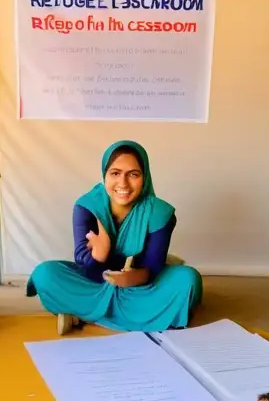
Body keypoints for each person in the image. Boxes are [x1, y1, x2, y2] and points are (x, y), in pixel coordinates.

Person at [27, 141, 202, 335]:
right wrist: (100, 254)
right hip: (96, 281)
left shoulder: (159, 212)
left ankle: (82, 314)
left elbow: (153, 267)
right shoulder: (86, 206)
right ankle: (137, 319)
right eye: (115, 173)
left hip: (140, 286)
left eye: (133, 174)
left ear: (145, 177)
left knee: (188, 279)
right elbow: (84, 263)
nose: (123, 183)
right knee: (45, 274)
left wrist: (128, 278)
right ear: (105, 174)